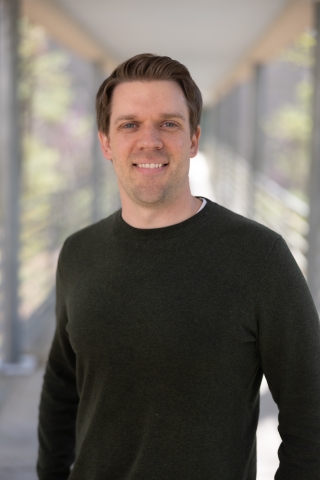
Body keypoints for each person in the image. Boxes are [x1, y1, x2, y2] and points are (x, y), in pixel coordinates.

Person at [37, 53, 320, 480]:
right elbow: (61, 387)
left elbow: (310, 410)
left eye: (168, 123)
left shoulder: (260, 257)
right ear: (106, 143)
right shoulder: (79, 253)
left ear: (193, 139)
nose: (149, 140)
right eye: (129, 124)